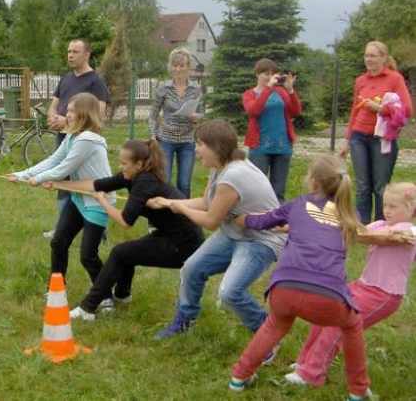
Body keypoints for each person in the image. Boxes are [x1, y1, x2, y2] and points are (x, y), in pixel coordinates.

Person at [228, 154, 371, 400]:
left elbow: (261, 221)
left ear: (314, 182)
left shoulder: (298, 204)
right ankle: (358, 390)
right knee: (352, 326)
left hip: (285, 288)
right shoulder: (351, 214)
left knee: (274, 325)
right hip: (330, 297)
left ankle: (239, 377)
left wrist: (240, 218)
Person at [148, 120, 285, 341]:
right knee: (191, 269)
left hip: (261, 240)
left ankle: (267, 333)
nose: (195, 149)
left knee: (230, 294)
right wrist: (167, 202)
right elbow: (206, 202)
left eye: (200, 144)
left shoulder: (234, 175)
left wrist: (180, 207)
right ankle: (185, 321)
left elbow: (211, 220)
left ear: (216, 146)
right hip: (234, 233)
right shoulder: (220, 168)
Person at [44, 139, 204, 321]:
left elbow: (125, 222)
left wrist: (103, 202)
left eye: (123, 163)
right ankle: (122, 295)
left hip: (184, 245)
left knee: (120, 253)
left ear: (139, 164)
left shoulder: (145, 181)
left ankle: (87, 307)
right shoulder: (132, 176)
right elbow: (96, 184)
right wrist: (58, 184)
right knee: (126, 252)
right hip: (170, 235)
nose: (120, 167)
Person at [286, 181, 416, 389]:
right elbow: (357, 230)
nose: (387, 210)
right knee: (323, 314)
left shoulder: (407, 231)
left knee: (338, 325)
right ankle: (305, 361)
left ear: (410, 208)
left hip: (384, 295)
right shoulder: (383, 226)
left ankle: (312, 374)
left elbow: (372, 237)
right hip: (364, 285)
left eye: (393, 206)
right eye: (385, 205)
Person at [9, 92, 114, 288]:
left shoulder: (87, 139)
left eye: (72, 111)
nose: (67, 114)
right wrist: (22, 174)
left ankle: (105, 295)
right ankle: (56, 288)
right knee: (58, 243)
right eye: (68, 110)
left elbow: (65, 168)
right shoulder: (72, 137)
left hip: (98, 202)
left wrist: (39, 179)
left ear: (84, 114)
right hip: (79, 198)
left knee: (88, 256)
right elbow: (53, 160)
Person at [340, 41, 413, 223]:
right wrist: (347, 140)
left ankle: (381, 224)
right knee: (363, 186)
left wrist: (381, 108)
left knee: (381, 186)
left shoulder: (394, 79)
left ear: (383, 58)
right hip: (359, 136)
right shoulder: (361, 81)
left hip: (382, 138)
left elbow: (407, 109)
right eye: (366, 55)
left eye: (373, 55)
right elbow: (355, 111)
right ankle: (362, 226)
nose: (368, 59)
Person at [45, 38, 109, 238]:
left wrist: (67, 122)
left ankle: (100, 230)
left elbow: (98, 113)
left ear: (87, 55)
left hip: (85, 142)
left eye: (75, 51)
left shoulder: (95, 81)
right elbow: (54, 105)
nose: (70, 55)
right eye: (68, 51)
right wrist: (54, 118)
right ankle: (62, 228)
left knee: (89, 185)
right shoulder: (66, 79)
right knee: (63, 183)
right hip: (64, 139)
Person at [242, 58, 302, 204]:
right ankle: (258, 221)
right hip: (260, 147)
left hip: (283, 146)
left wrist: (290, 91)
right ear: (257, 74)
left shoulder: (281, 92)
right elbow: (254, 110)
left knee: (278, 190)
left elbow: (296, 111)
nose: (269, 77)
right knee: (257, 188)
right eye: (266, 74)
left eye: (273, 74)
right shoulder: (249, 94)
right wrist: (268, 89)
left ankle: (278, 221)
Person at [149, 47, 203, 198]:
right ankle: (161, 217)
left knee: (184, 184)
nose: (178, 69)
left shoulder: (196, 88)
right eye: (175, 65)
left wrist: (196, 117)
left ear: (188, 67)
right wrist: (153, 135)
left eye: (182, 65)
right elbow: (153, 114)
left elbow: (202, 112)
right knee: (163, 181)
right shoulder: (163, 87)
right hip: (165, 139)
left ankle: (183, 217)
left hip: (187, 140)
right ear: (171, 66)